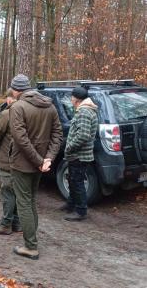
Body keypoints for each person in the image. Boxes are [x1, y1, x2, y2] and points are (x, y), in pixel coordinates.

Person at [8, 74, 62, 260]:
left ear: (16, 90)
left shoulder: (17, 107)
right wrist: (47, 159)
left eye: (12, 89)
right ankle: (31, 240)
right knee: (30, 201)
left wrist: (41, 161)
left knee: (24, 202)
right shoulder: (50, 105)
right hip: (41, 165)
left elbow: (20, 139)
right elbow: (58, 135)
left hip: (23, 164)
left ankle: (31, 246)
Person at [62, 86, 98, 221]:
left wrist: (69, 147)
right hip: (78, 155)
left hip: (79, 155)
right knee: (72, 180)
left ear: (76, 99)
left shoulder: (84, 112)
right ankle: (71, 204)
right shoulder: (84, 110)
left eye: (71, 97)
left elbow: (83, 135)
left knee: (77, 182)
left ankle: (81, 211)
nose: (70, 99)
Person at [0, 89, 21, 234]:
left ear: (9, 99)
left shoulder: (7, 114)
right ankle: (18, 223)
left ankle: (6, 224)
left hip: (8, 159)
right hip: (25, 160)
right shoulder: (29, 112)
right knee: (19, 192)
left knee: (7, 192)